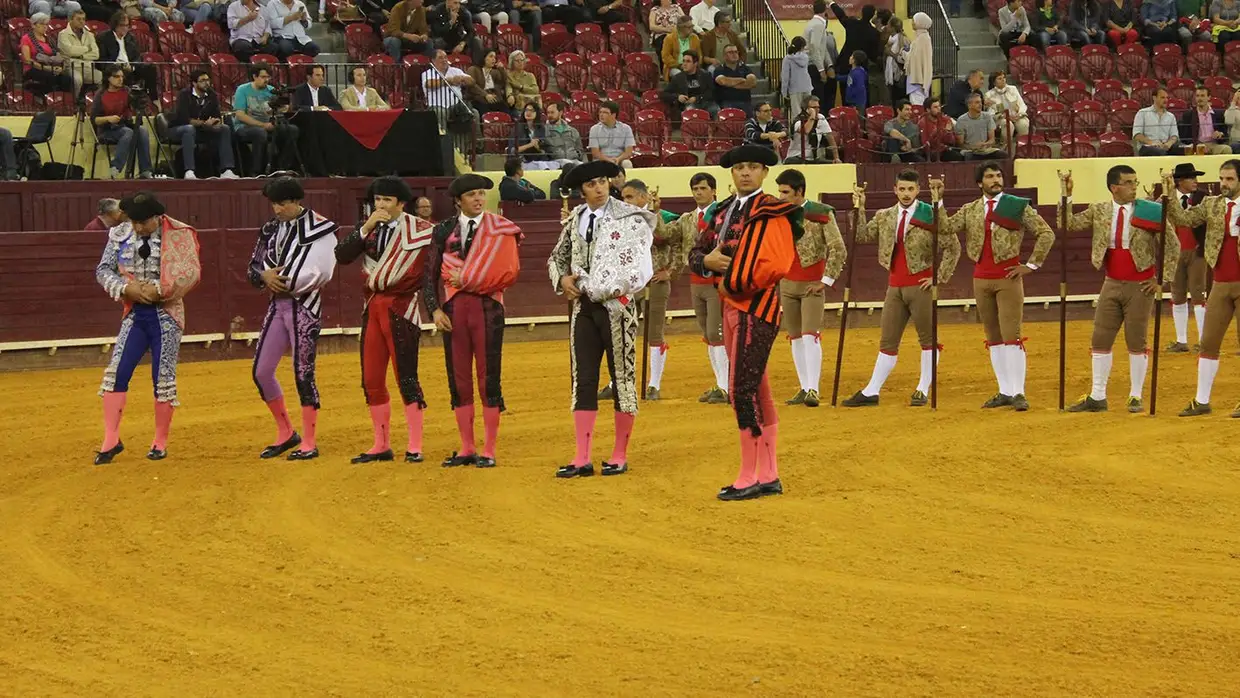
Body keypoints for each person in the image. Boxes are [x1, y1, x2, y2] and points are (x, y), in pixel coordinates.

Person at [688, 144, 800, 501]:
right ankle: (768, 474)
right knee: (758, 388)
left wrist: (731, 273)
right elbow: (695, 252)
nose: (746, 173)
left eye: (753, 167)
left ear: (765, 173)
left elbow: (776, 264)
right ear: (731, 173)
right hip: (730, 306)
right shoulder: (721, 212)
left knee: (740, 390)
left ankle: (748, 474)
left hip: (758, 306)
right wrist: (708, 261)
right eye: (740, 168)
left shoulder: (772, 211)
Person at [547, 160, 655, 479]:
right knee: (584, 380)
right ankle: (582, 457)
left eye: (602, 182)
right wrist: (563, 280)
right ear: (582, 190)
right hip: (584, 308)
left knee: (622, 378)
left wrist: (616, 288)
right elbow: (557, 257)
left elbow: (640, 261)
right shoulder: (576, 220)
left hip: (618, 308)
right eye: (591, 184)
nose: (598, 189)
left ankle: (619, 455)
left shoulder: (628, 216)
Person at [1060, 166, 1180, 414]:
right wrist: (1067, 195)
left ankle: (1135, 395)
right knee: (1100, 339)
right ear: (1115, 187)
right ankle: (1097, 395)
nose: (1134, 186)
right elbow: (1068, 224)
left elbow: (1172, 245)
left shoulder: (1149, 210)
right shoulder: (1100, 209)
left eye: (1135, 181)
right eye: (1128, 182)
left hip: (1141, 285)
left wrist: (1162, 280)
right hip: (1111, 282)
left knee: (1136, 340)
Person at [93, 192, 201, 464]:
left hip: (166, 315)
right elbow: (103, 270)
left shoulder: (178, 233)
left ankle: (159, 442)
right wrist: (125, 287)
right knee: (116, 372)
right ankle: (111, 440)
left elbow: (190, 273)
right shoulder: (120, 233)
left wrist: (160, 290)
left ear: (157, 217)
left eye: (143, 222)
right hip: (135, 314)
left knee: (162, 379)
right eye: (135, 222)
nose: (138, 227)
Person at [938, 162, 1055, 411]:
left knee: (1011, 335)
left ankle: (1019, 392)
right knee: (993, 337)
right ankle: (1005, 390)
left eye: (998, 175)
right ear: (980, 183)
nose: (995, 180)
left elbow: (1046, 233)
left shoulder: (1016, 206)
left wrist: (1031, 265)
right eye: (990, 177)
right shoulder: (970, 209)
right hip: (981, 278)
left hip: (1008, 277)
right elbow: (946, 228)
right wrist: (938, 201)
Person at [423, 174, 521, 468]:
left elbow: (509, 273)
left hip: (489, 308)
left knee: (488, 377)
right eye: (472, 195)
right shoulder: (443, 230)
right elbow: (429, 275)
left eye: (481, 194)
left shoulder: (498, 229)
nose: (479, 199)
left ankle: (488, 449)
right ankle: (467, 447)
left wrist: (467, 280)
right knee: (459, 378)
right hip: (453, 310)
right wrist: (435, 310)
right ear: (458, 200)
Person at [335, 176, 434, 464]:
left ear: (401, 204)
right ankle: (381, 444)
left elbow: (428, 274)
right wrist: (365, 227)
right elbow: (341, 256)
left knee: (406, 376)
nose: (380, 205)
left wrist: (434, 308)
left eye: (387, 200)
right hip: (373, 308)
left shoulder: (421, 230)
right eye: (377, 199)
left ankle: (415, 445)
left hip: (402, 309)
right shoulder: (369, 230)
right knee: (372, 378)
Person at [842, 169, 961, 408]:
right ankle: (871, 390)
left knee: (928, 340)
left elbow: (953, 247)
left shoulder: (931, 214)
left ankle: (922, 389)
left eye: (911, 189)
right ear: (895, 189)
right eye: (902, 189)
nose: (906, 193)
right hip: (894, 287)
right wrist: (859, 208)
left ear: (918, 190)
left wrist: (938, 278)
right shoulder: (885, 215)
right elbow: (862, 236)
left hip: (921, 286)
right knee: (887, 341)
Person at [247, 177, 338, 462]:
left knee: (303, 372)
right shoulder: (270, 229)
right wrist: (264, 276)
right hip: (278, 307)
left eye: (283, 203)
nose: (277, 209)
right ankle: (286, 432)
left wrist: (284, 282)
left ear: (297, 201)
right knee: (261, 372)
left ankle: (310, 441)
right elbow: (253, 268)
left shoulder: (321, 229)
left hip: (304, 306)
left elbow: (322, 271)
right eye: (274, 203)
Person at [1169, 161, 1240, 415]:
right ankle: (1201, 400)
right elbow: (1182, 217)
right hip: (1220, 284)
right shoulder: (1211, 204)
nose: (1224, 184)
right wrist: (1169, 193)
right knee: (1209, 343)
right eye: (1222, 178)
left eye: (1230, 179)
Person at [775, 168, 846, 408]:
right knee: (795, 338)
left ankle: (813, 388)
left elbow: (838, 248)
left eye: (786, 192)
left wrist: (825, 281)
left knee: (809, 335)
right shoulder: (778, 214)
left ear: (800, 191)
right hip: (786, 283)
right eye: (780, 192)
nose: (781, 196)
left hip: (811, 285)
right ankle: (804, 387)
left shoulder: (821, 213)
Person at [609, 179, 681, 399]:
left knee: (654, 333)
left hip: (655, 284)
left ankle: (654, 384)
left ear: (644, 197)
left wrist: (670, 271)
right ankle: (617, 382)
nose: (626, 201)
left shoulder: (665, 217)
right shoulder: (622, 219)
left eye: (630, 197)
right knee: (622, 333)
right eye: (624, 198)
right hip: (630, 285)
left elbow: (674, 241)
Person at [1165, 162, 1209, 353]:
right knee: (1178, 296)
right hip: (1174, 253)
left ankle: (1203, 340)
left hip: (1197, 251)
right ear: (1180, 181)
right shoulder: (1165, 199)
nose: (1195, 181)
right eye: (1191, 178)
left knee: (1198, 295)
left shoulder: (1204, 198)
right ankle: (1181, 340)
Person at [233, 63, 301, 176]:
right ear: (254, 76)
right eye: (263, 77)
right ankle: (256, 171)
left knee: (292, 130)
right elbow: (240, 115)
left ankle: (281, 167)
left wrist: (284, 108)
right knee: (260, 133)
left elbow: (278, 111)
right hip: (245, 127)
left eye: (268, 77)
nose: (266, 80)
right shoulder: (243, 90)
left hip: (269, 124)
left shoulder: (271, 90)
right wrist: (262, 125)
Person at [169, 70, 238, 180]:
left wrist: (215, 123)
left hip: (202, 129)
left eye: (207, 80)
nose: (206, 83)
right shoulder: (184, 95)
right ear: (194, 83)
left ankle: (227, 170)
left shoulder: (212, 95)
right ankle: (189, 171)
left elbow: (216, 115)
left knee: (224, 128)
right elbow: (184, 119)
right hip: (178, 129)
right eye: (202, 81)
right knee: (189, 129)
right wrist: (204, 123)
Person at [91, 65, 153, 179]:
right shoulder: (100, 94)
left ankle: (145, 170)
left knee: (142, 131)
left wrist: (139, 102)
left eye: (122, 77)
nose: (120, 79)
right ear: (109, 78)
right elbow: (94, 120)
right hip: (107, 130)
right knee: (127, 132)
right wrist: (108, 118)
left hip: (125, 125)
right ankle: (116, 167)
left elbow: (135, 106)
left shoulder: (127, 91)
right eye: (116, 76)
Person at [831, 1, 879, 103]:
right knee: (860, 98)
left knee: (845, 97)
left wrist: (831, 3)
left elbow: (841, 15)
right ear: (872, 16)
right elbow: (874, 55)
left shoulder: (852, 24)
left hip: (845, 65)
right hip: (862, 68)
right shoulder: (874, 32)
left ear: (861, 13)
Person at [20, 14, 74, 95]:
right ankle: (49, 102)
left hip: (50, 65)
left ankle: (63, 102)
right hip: (33, 68)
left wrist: (58, 67)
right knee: (50, 77)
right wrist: (45, 68)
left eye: (46, 24)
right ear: (33, 25)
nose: (45, 27)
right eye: (42, 24)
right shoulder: (26, 38)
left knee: (66, 78)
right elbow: (27, 60)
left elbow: (56, 54)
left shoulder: (49, 38)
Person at [803, 0, 839, 109]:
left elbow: (822, 48)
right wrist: (821, 70)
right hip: (813, 67)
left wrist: (829, 65)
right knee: (817, 102)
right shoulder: (818, 24)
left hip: (814, 65)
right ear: (826, 10)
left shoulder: (813, 23)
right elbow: (814, 47)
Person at [662, 51, 718, 118]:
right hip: (688, 105)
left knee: (717, 110)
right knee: (690, 110)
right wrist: (678, 97)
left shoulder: (705, 75)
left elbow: (712, 92)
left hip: (705, 102)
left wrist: (697, 98)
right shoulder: (678, 78)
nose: (684, 64)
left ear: (695, 63)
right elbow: (664, 94)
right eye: (683, 61)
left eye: (688, 61)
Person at [949, 93, 1005, 160]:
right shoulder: (961, 120)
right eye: (977, 102)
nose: (980, 105)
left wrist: (985, 144)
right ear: (969, 105)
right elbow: (960, 145)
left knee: (1003, 155)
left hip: (985, 150)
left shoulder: (987, 117)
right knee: (968, 157)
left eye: (981, 102)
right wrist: (973, 147)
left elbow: (992, 140)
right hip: (970, 151)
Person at [58, 10, 100, 95]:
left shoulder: (89, 35)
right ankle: (74, 102)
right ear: (71, 20)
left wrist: (80, 56)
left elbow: (96, 54)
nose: (82, 21)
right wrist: (87, 48)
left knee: (104, 78)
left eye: (83, 19)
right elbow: (69, 51)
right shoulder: (63, 34)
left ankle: (93, 101)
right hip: (71, 66)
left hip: (88, 67)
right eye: (78, 19)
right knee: (77, 80)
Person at [786, 96, 838, 163]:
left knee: (833, 164)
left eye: (818, 107)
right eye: (814, 108)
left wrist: (836, 158)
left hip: (813, 159)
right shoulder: (798, 121)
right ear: (805, 109)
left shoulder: (821, 118)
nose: (817, 110)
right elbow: (806, 130)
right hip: (796, 158)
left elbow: (830, 138)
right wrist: (812, 115)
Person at [1181, 85, 1232, 154]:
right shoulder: (1189, 115)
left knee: (1226, 149)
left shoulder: (1218, 114)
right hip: (1197, 145)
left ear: (1209, 97)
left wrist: (1220, 134)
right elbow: (1184, 137)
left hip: (1214, 144)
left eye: (1202, 96)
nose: (1199, 98)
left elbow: (1225, 134)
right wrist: (1199, 144)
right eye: (1197, 96)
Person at [1134, 88, 1183, 156]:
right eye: (1162, 97)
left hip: (1165, 146)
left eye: (1167, 98)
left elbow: (1174, 135)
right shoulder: (1142, 113)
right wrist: (1151, 142)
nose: (1166, 100)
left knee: (1182, 149)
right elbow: (1137, 135)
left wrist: (1169, 143)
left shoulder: (1171, 116)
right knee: (1159, 152)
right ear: (1154, 98)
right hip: (1147, 147)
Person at [985, 70, 1029, 145]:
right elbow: (991, 113)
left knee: (1023, 124)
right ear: (994, 82)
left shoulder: (1013, 89)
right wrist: (1004, 116)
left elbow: (1022, 104)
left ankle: (1023, 146)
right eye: (1000, 78)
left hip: (1016, 115)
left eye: (1004, 77)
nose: (1003, 80)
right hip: (1001, 118)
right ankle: (1006, 146)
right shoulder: (989, 95)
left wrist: (1019, 114)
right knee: (1008, 124)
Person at [588, 101, 635, 170]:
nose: (601, 115)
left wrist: (618, 159)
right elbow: (595, 153)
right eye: (600, 112)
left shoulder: (626, 128)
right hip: (602, 160)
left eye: (605, 113)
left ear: (613, 115)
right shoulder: (594, 129)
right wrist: (608, 160)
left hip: (620, 160)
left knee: (627, 164)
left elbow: (628, 152)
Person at [714, 43, 756, 114]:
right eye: (730, 52)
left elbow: (752, 82)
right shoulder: (719, 69)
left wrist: (731, 84)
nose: (734, 54)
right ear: (724, 56)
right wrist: (742, 80)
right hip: (727, 102)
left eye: (736, 52)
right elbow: (723, 81)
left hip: (745, 102)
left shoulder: (745, 68)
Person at [542, 101, 586, 167]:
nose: (549, 115)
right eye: (548, 113)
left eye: (552, 112)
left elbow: (580, 149)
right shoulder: (543, 131)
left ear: (560, 113)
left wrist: (578, 155)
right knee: (567, 163)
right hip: (555, 163)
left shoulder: (572, 130)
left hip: (574, 161)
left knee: (585, 167)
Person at [661, 15, 701, 80]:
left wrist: (694, 65)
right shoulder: (669, 38)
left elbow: (699, 55)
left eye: (692, 26)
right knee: (680, 75)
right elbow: (666, 56)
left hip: (692, 67)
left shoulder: (695, 38)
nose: (692, 29)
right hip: (675, 67)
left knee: (704, 75)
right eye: (689, 27)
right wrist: (679, 65)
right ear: (681, 28)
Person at [782, 37, 813, 118]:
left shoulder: (787, 58)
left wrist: (784, 92)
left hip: (794, 88)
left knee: (796, 113)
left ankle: (797, 129)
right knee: (808, 111)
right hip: (807, 86)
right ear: (802, 46)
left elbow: (785, 76)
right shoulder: (805, 57)